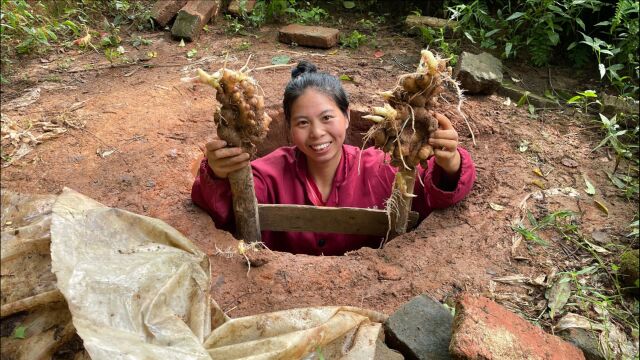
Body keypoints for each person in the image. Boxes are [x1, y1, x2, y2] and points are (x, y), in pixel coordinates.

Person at [192, 61, 476, 256]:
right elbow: (224, 210)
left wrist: (450, 165)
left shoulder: (381, 168)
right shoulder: (268, 173)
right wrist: (216, 174)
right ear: (288, 128)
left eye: (327, 117)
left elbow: (429, 195)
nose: (317, 133)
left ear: (347, 117)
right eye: (302, 123)